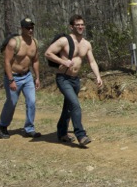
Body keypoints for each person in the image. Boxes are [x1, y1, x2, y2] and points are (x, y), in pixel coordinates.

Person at [44, 14, 103, 146]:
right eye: (78, 25)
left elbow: (92, 61)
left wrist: (98, 76)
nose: (81, 27)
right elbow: (48, 53)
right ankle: (81, 135)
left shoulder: (86, 44)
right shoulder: (64, 41)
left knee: (69, 108)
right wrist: (63, 62)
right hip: (63, 78)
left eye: (82, 24)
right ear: (72, 27)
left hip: (75, 80)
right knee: (75, 105)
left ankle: (61, 133)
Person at [0, 17, 41, 139]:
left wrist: (37, 77)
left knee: (31, 102)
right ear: (22, 28)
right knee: (12, 103)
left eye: (32, 27)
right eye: (27, 28)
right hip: (13, 76)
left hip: (27, 76)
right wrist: (11, 80)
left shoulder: (35, 43)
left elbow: (36, 61)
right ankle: (3, 126)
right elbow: (6, 62)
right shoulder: (13, 43)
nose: (30, 30)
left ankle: (29, 129)